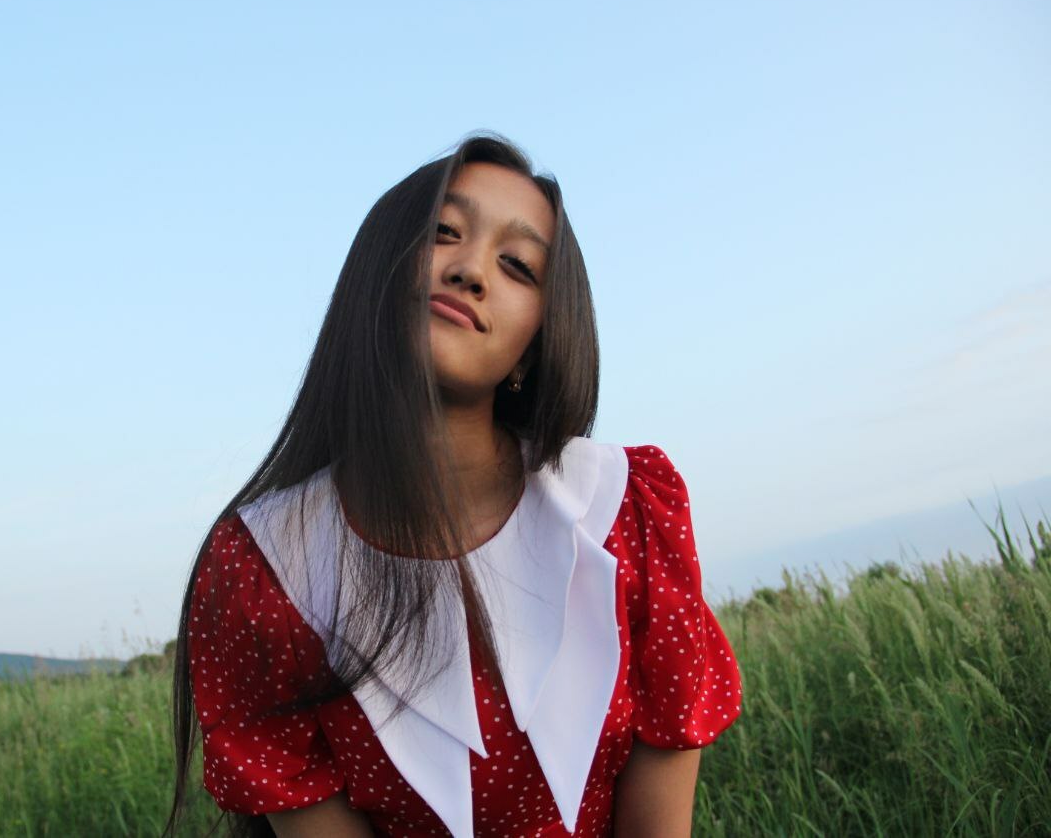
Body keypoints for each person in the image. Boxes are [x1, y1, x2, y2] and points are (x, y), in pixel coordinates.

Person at [164, 131, 743, 838]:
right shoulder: (262, 570)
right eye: (443, 232)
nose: (470, 270)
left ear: (537, 340)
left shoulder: (624, 512)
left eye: (518, 265)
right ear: (377, 265)